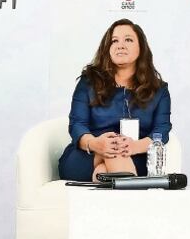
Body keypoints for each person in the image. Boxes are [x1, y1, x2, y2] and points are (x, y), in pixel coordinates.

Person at [58, 19, 171, 182]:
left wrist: (134, 146)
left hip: (135, 156)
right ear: (107, 48)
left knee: (105, 171)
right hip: (87, 156)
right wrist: (95, 144)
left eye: (128, 40)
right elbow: (77, 124)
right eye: (114, 41)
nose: (120, 45)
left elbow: (162, 129)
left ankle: (106, 184)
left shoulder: (159, 90)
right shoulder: (89, 81)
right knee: (114, 154)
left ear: (141, 47)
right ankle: (131, 198)